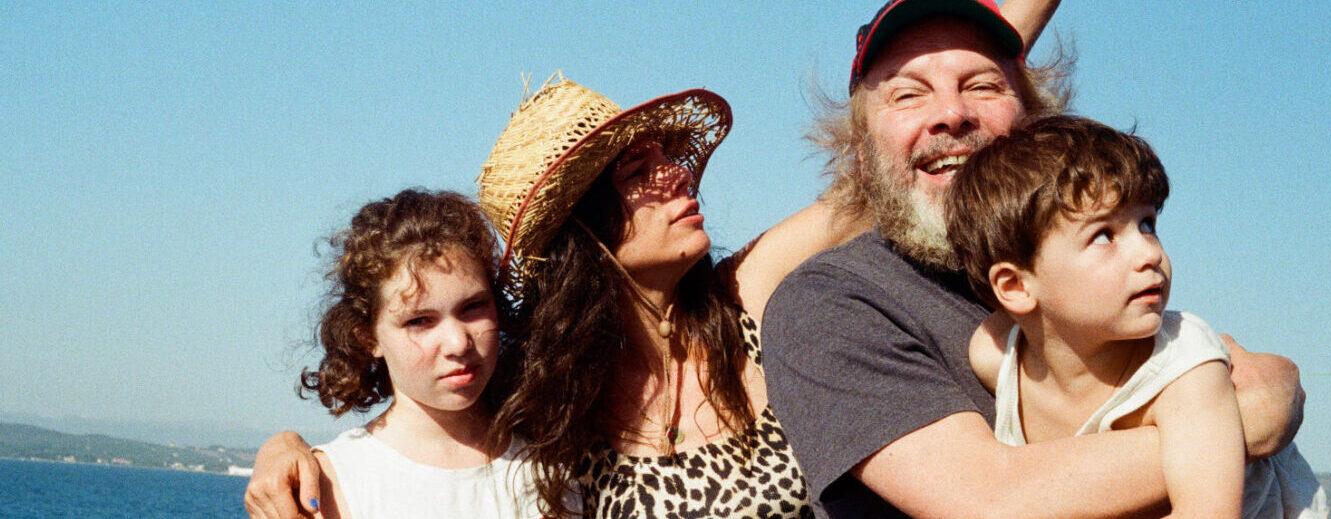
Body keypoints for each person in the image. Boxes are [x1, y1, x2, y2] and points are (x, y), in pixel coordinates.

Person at [242, 4, 1063, 517]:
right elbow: (425, 420)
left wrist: (971, 60)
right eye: (639, 172)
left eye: (671, 157)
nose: (676, 175)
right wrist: (289, 452)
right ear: (586, 227)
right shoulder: (549, 390)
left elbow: (887, 155)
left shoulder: (748, 296)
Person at [761, 1, 1308, 517]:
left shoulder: (1091, 275)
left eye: (983, 85)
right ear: (860, 156)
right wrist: (1236, 424)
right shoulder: (830, 302)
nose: (951, 114)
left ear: (1034, 125)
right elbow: (988, 500)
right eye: (908, 95)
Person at [947, 115, 1327, 518]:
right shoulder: (995, 354)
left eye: (1147, 224)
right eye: (1103, 235)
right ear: (1015, 287)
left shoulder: (1183, 370)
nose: (1150, 253)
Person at [267, 189, 542, 519]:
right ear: (369, 338)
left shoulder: (560, 461)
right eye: (420, 321)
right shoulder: (334, 484)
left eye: (472, 307)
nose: (458, 343)